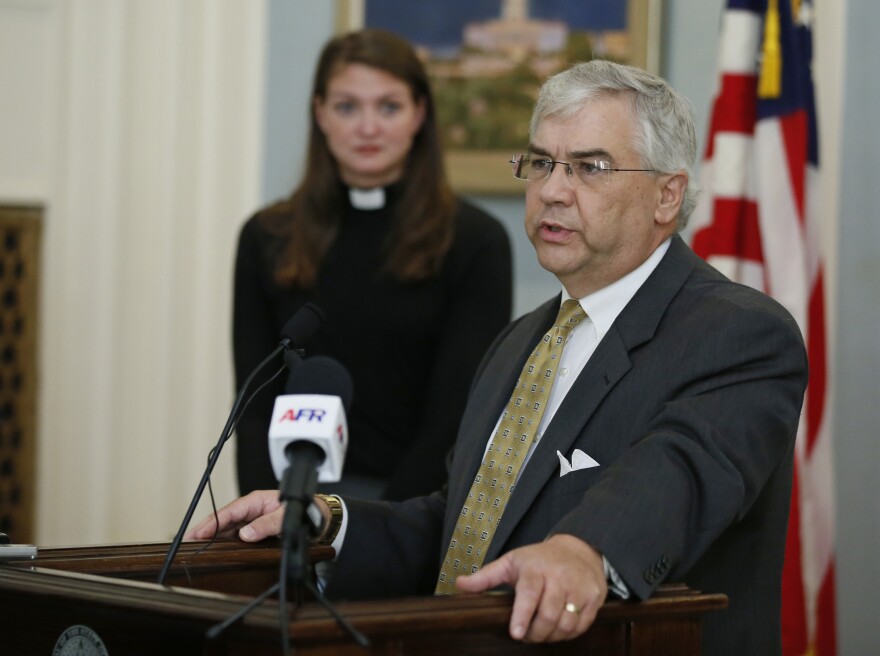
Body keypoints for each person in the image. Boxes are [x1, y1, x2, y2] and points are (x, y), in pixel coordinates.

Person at [191, 59, 808, 655]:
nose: (553, 192)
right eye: (541, 163)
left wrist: (587, 551)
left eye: (589, 167)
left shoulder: (738, 333)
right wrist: (326, 517)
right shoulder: (520, 341)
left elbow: (679, 470)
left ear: (666, 196)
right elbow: (462, 528)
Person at [233, 29, 513, 500]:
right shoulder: (266, 236)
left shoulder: (475, 241)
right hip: (288, 502)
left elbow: (456, 418)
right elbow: (252, 407)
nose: (368, 128)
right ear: (320, 114)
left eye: (388, 107)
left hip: (412, 513)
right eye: (347, 107)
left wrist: (374, 534)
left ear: (419, 114)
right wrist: (269, 517)